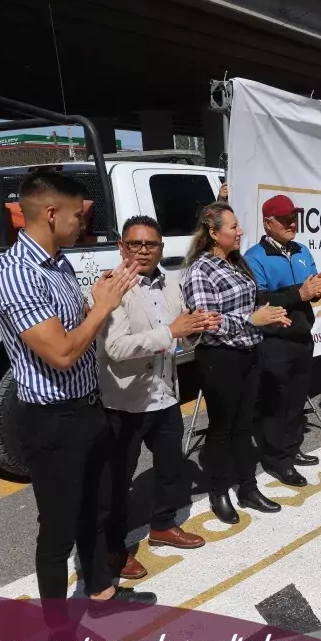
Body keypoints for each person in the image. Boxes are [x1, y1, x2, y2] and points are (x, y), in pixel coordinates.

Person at [0, 172, 155, 611]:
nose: (84, 221)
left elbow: (78, 324)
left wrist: (100, 299)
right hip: (52, 421)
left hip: (88, 409)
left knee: (97, 508)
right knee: (59, 530)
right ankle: (58, 628)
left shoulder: (58, 261)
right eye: (78, 214)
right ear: (50, 213)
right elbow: (61, 353)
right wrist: (102, 307)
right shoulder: (17, 274)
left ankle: (102, 590)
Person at [97, 216, 216, 581]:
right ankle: (114, 549)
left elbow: (181, 335)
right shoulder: (110, 288)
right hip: (127, 402)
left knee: (170, 468)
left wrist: (196, 331)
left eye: (152, 245)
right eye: (136, 244)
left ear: (162, 249)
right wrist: (171, 331)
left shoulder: (171, 284)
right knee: (118, 482)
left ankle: (163, 525)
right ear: (122, 247)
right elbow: (114, 348)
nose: (144, 251)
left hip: (165, 394)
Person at [182, 202, 291, 525]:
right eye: (232, 227)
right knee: (221, 430)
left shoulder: (234, 263)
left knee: (244, 427)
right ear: (214, 233)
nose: (240, 231)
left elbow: (250, 305)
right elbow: (207, 322)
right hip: (220, 359)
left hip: (248, 354)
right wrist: (252, 319)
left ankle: (248, 487)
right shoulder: (201, 270)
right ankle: (219, 492)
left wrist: (269, 316)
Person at [244, 195, 321, 487]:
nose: (292, 223)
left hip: (302, 336)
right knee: (275, 403)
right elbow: (261, 299)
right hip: (274, 341)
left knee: (296, 402)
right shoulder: (254, 257)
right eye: (284, 219)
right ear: (268, 223)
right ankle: (277, 460)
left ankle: (291, 450)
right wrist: (300, 294)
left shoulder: (302, 249)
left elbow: (307, 289)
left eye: (294, 217)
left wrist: (316, 290)